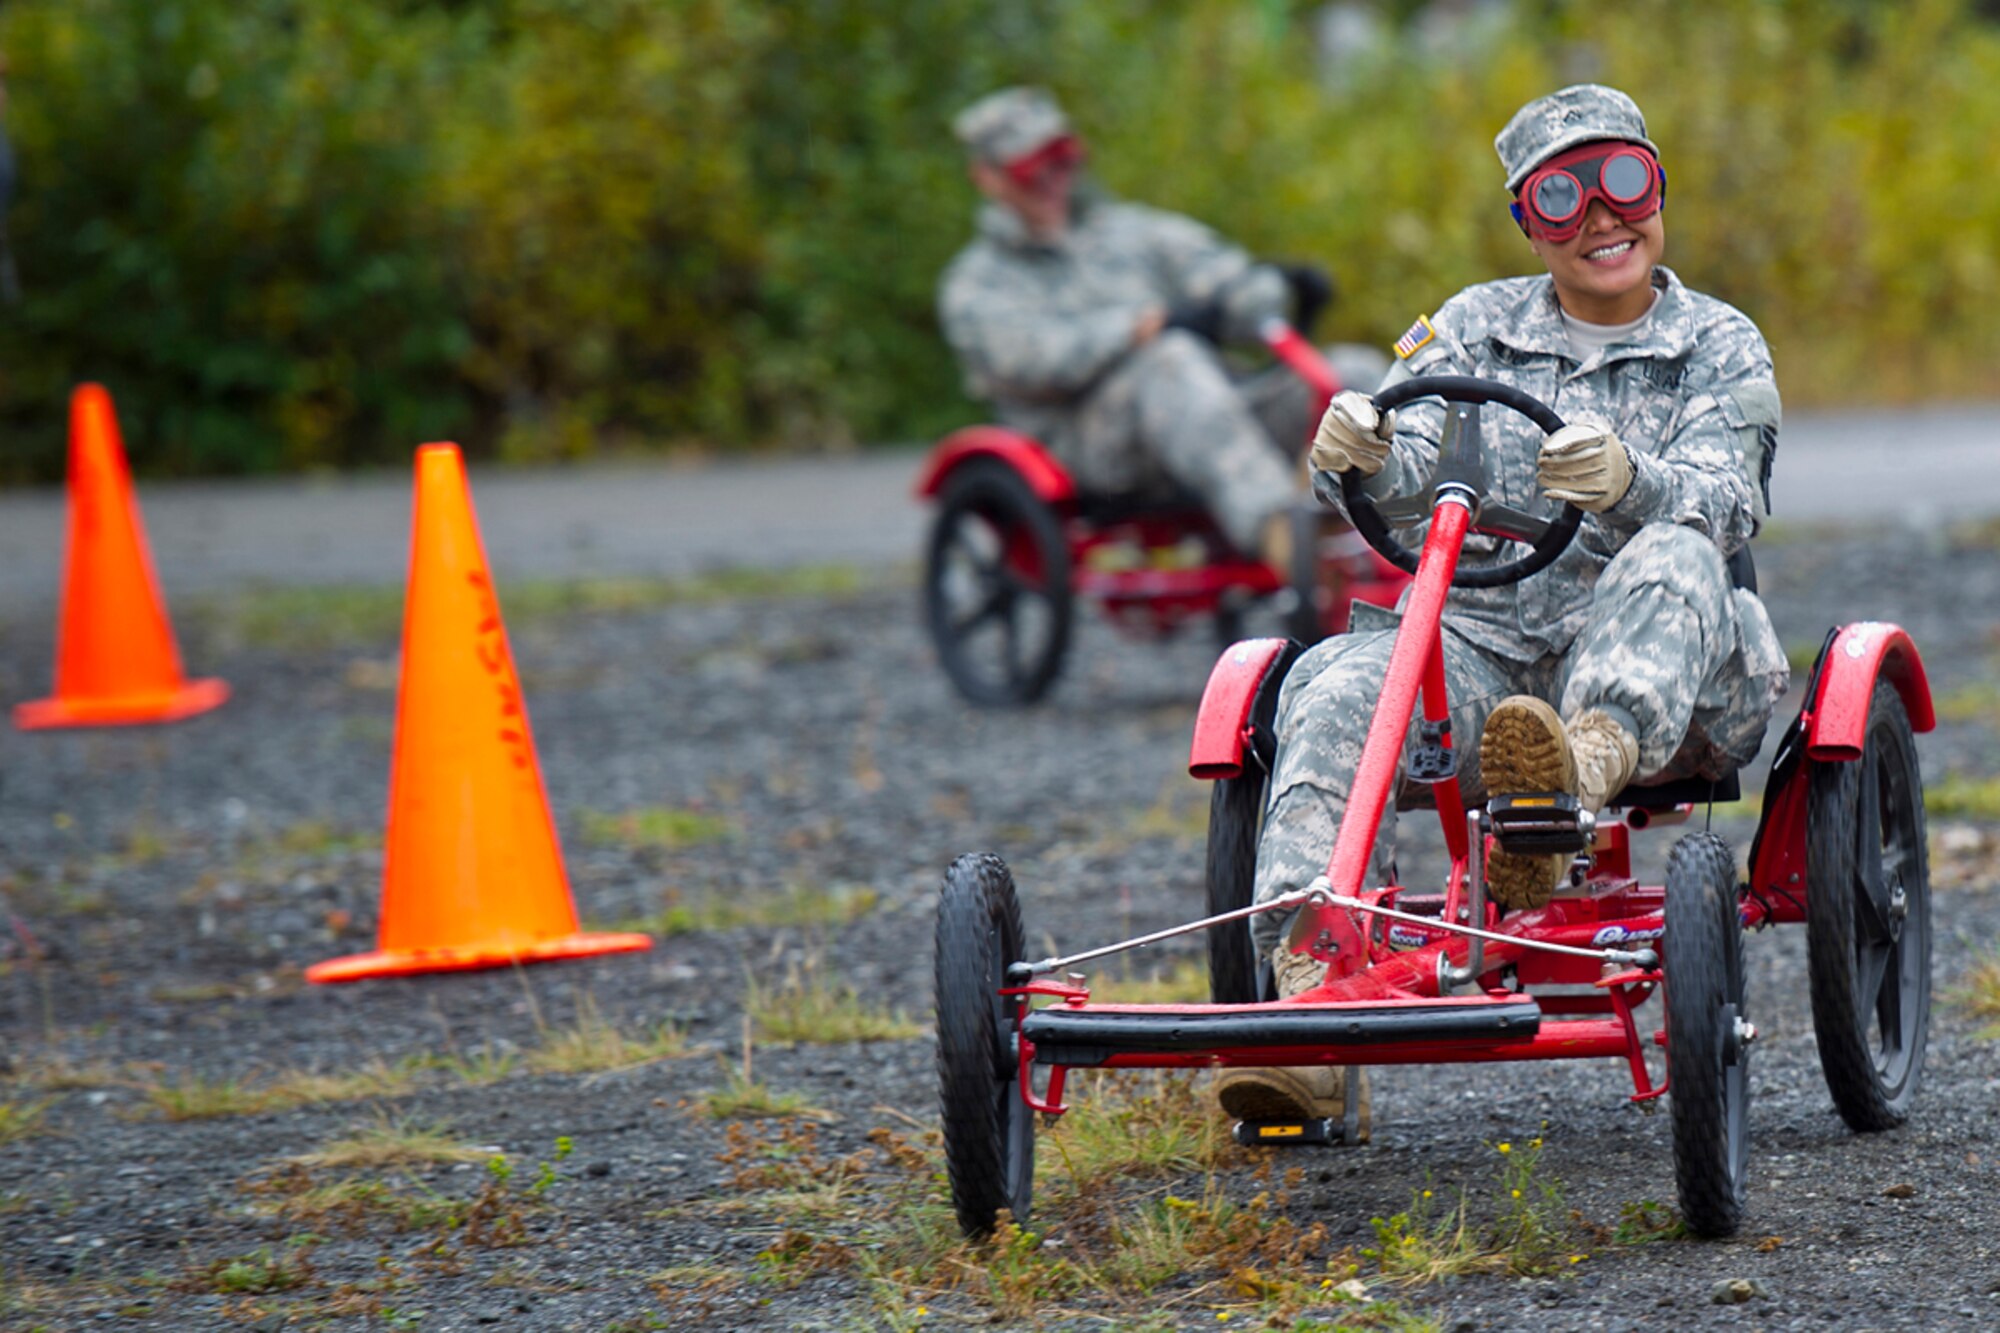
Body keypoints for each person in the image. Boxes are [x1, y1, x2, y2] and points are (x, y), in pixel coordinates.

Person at [1213, 84, 1789, 1129]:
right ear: (1528, 221)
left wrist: (1628, 481)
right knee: (1336, 682)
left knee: (1672, 545)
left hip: (1668, 667)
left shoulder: (1717, 341)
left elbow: (1727, 499)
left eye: (1622, 181)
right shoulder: (1472, 327)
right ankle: (1307, 1005)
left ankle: (1568, 782)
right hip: (1481, 653)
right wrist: (1360, 450)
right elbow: (1408, 453)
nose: (1600, 218)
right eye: (1561, 197)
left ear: (1656, 189)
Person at [937, 86, 1386, 570]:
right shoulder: (977, 283)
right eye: (1030, 170)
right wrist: (1144, 326)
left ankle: (1400, 523)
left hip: (1211, 412)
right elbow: (1033, 361)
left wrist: (1268, 288)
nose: (1050, 179)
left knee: (1355, 371)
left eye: (1059, 160)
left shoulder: (1133, 232)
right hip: (1089, 446)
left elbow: (1225, 276)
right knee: (1169, 358)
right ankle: (1283, 533)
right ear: (988, 178)